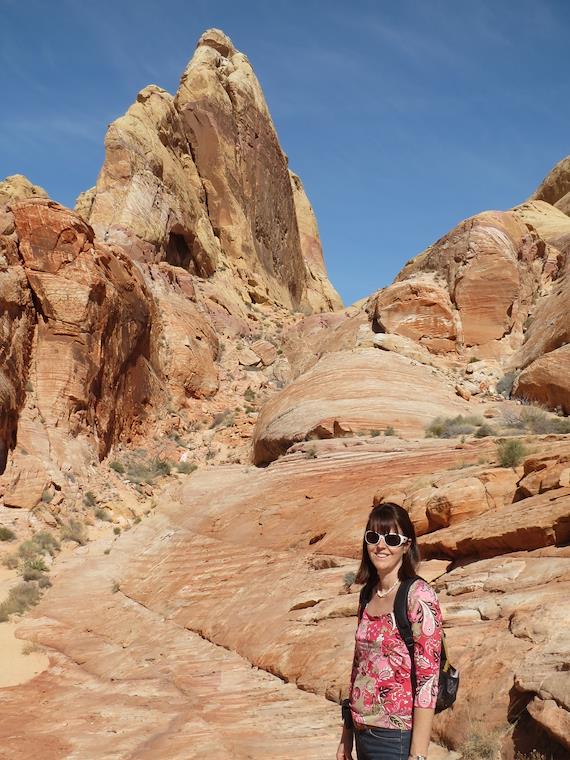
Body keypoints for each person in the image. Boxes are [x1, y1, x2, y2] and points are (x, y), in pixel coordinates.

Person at [336, 502, 442, 760]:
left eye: (392, 539)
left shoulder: (419, 596)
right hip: (362, 732)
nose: (381, 546)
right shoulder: (367, 594)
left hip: (396, 738)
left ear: (406, 546)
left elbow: (428, 681)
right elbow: (359, 667)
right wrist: (347, 735)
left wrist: (418, 754)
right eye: (373, 537)